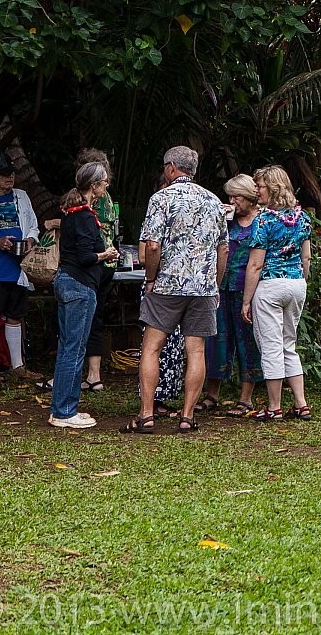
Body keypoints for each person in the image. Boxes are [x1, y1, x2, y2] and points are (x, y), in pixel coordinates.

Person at [127, 147, 226, 434]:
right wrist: (214, 283)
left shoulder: (161, 198)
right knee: (196, 350)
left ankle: (146, 415)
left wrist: (150, 278)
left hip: (167, 285)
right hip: (203, 288)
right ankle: (187, 416)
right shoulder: (213, 200)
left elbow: (153, 245)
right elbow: (222, 248)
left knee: (152, 347)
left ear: (171, 168)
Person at [242, 165, 314, 422]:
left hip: (271, 285)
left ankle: (274, 406)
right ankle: (301, 403)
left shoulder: (264, 220)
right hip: (296, 284)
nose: (256, 191)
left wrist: (246, 300)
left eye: (259, 186)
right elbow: (306, 257)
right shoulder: (302, 217)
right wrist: (300, 280)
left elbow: (255, 264)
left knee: (271, 346)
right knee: (288, 344)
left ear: (271, 188)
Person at [49, 162, 118, 428]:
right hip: (80, 285)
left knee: (67, 348)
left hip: (66, 281)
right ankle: (66, 411)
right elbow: (87, 257)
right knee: (75, 349)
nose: (106, 185)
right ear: (94, 186)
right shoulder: (86, 216)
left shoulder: (70, 212)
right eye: (104, 182)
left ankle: (61, 407)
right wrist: (107, 254)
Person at [0, 152, 42, 384]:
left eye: (11, 173)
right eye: (3, 174)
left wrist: (31, 240)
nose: (9, 178)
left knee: (16, 315)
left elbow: (33, 225)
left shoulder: (21, 197)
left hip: (17, 267)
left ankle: (17, 366)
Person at [205, 175, 265, 416]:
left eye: (237, 197)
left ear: (250, 198)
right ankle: (212, 394)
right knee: (217, 339)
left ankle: (246, 397)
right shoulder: (226, 221)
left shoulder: (261, 222)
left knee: (246, 341)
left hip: (247, 289)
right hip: (222, 287)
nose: (232, 201)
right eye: (230, 196)